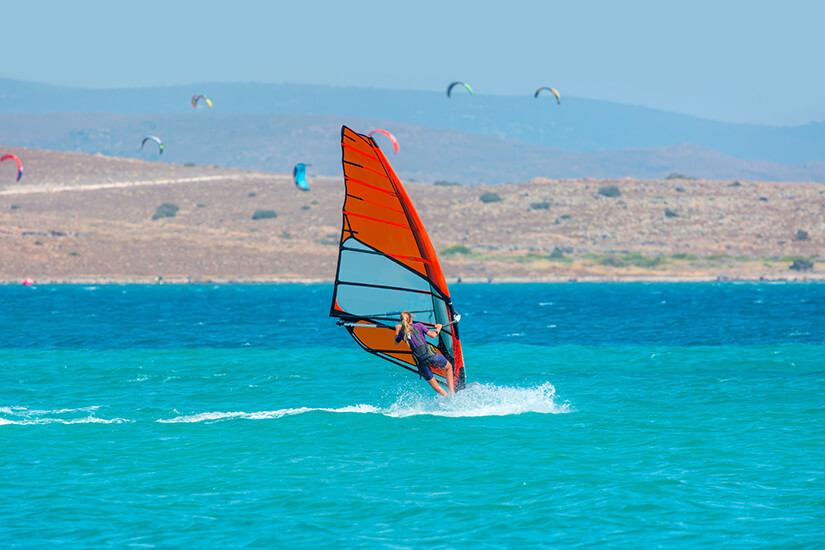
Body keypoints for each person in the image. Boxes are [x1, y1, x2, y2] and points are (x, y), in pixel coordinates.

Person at [395, 311, 455, 395]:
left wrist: (397, 329)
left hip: (420, 361)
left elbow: (396, 341)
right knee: (449, 367)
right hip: (430, 355)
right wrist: (438, 328)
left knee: (435, 385)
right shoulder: (419, 325)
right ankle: (452, 393)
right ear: (411, 318)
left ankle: (446, 397)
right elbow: (433, 335)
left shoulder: (402, 332)